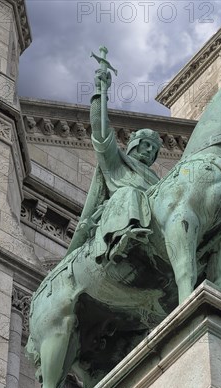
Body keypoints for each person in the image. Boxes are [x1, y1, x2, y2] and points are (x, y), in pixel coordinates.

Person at [66, 69, 162, 262]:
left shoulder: (159, 181)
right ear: (135, 143)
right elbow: (100, 129)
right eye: (146, 144)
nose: (150, 150)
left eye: (154, 149)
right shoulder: (116, 161)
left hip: (153, 225)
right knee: (130, 193)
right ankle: (121, 239)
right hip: (117, 213)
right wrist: (100, 93)